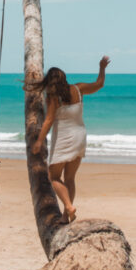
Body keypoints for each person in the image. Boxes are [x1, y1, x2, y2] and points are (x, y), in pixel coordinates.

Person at [30, 56, 110, 223]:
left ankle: (68, 206)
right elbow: (99, 84)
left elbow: (49, 120)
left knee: (54, 177)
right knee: (70, 178)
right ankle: (66, 217)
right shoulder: (79, 89)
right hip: (80, 137)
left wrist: (39, 141)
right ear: (64, 77)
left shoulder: (53, 97)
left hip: (64, 138)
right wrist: (102, 67)